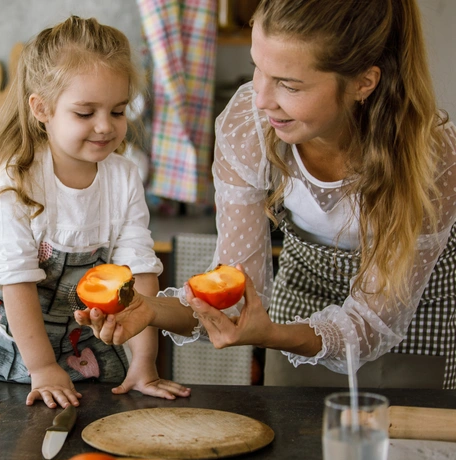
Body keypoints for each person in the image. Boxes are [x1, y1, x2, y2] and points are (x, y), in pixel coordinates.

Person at [76, 0, 456, 389]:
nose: (261, 99)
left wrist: (270, 335)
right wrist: (148, 309)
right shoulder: (251, 127)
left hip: (415, 324)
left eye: (289, 85)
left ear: (364, 82)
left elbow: (371, 325)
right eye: (259, 68)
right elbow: (235, 291)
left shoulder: (433, 158)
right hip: (298, 304)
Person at [0, 15, 191, 408]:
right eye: (85, 112)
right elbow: (18, 285)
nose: (105, 126)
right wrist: (41, 367)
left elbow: (138, 279)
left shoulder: (123, 178)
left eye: (118, 111)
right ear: (42, 109)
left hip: (82, 344)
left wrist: (143, 363)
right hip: (14, 345)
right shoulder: (18, 178)